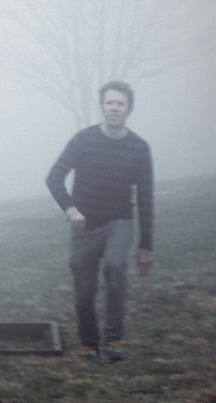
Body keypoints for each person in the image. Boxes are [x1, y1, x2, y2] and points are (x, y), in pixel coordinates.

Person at [46, 81, 153, 363]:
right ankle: (89, 344)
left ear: (129, 108)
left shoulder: (139, 148)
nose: (114, 108)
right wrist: (70, 209)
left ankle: (114, 339)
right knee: (84, 291)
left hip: (119, 221)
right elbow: (54, 177)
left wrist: (146, 246)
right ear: (102, 106)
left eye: (120, 103)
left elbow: (145, 198)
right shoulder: (83, 140)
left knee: (116, 268)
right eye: (109, 102)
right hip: (85, 226)